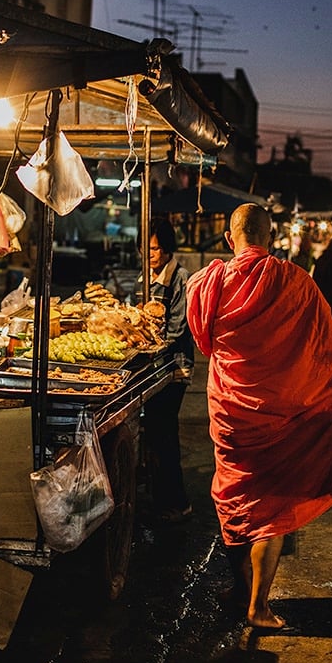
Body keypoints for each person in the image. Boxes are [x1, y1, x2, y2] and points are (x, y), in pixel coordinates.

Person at [186, 203, 332, 630]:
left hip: (231, 409)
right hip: (281, 413)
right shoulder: (294, 281)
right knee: (271, 503)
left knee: (233, 496)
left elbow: (204, 342)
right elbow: (328, 342)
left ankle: (241, 587)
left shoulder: (207, 283)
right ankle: (258, 605)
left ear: (230, 239)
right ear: (270, 237)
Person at [139, 217, 195, 524]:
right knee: (155, 434)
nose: (151, 255)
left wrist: (148, 341)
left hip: (173, 369)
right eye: (146, 249)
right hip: (154, 369)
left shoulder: (180, 278)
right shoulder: (147, 276)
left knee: (164, 433)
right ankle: (160, 499)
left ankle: (177, 502)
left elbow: (176, 329)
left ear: (167, 248)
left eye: (156, 249)